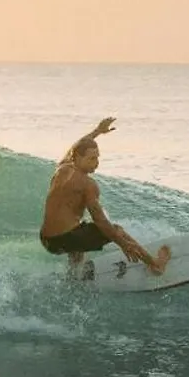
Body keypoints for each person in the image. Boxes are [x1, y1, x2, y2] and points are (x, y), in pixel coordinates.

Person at [39, 117, 171, 275]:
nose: (96, 163)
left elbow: (76, 146)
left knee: (79, 233)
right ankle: (155, 265)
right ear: (78, 158)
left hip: (47, 240)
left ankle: (73, 275)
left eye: (97, 157)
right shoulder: (88, 184)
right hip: (65, 238)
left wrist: (97, 131)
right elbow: (100, 220)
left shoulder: (62, 168)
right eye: (91, 159)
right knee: (117, 230)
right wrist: (123, 244)